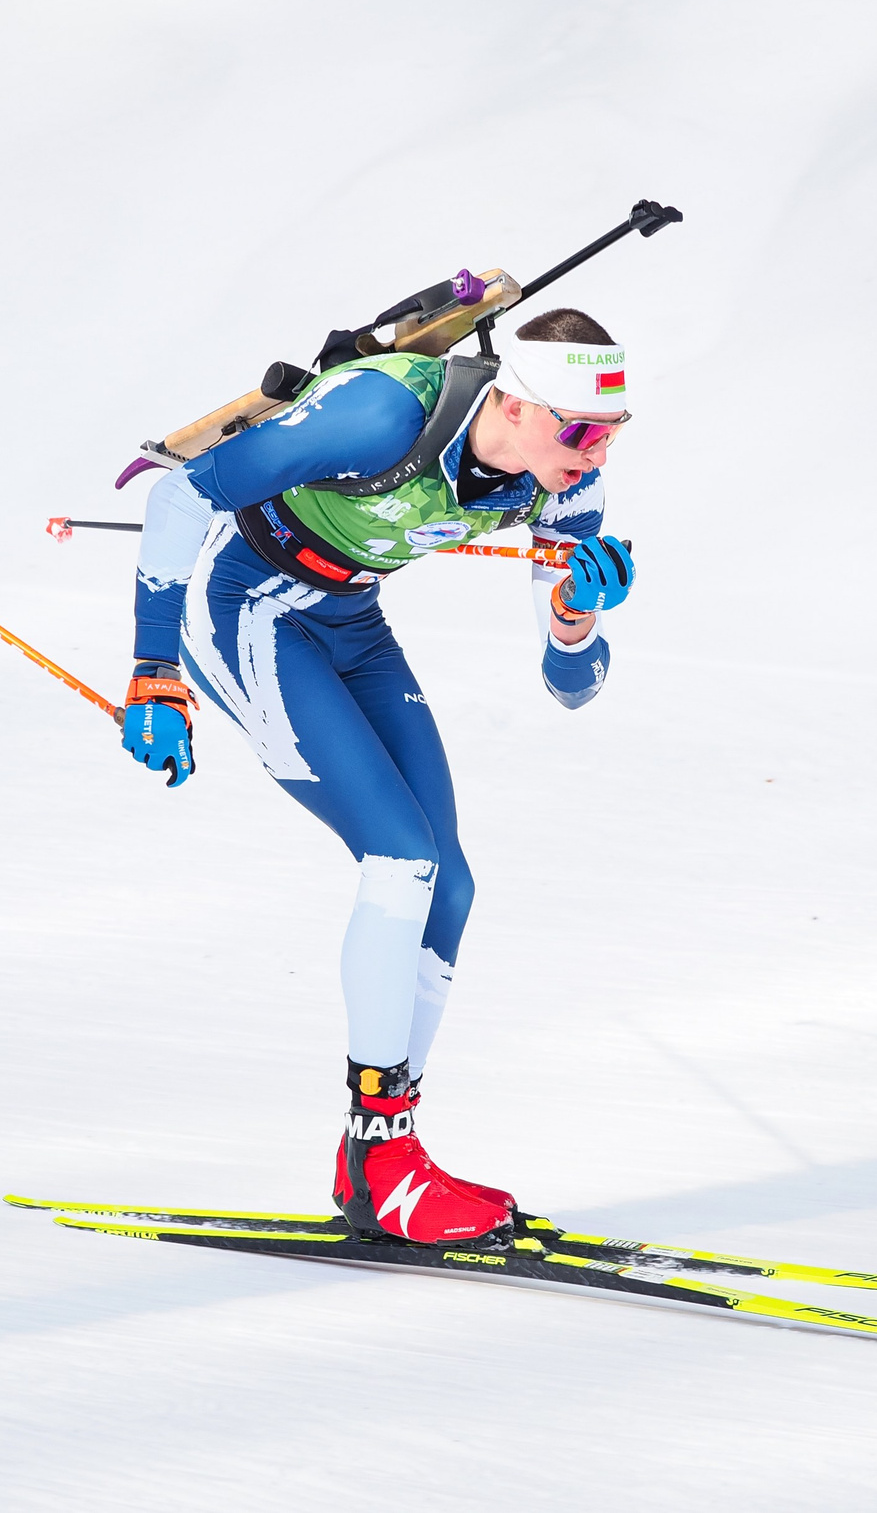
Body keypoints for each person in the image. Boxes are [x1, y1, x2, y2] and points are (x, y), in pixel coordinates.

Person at [117, 308, 638, 1246]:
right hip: (244, 606)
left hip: (349, 620)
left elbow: (572, 686)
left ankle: (381, 1157)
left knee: (451, 885)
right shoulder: (382, 414)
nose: (596, 455)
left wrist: (574, 616)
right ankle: (383, 1165)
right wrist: (154, 671)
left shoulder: (560, 482)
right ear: (516, 404)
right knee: (400, 859)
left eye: (613, 432)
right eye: (580, 430)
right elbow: (178, 500)